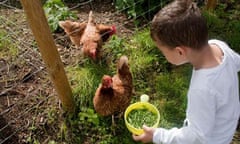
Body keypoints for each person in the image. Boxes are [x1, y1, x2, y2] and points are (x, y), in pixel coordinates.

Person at [132, 0, 240, 143]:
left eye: (163, 51)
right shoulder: (219, 47)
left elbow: (196, 136)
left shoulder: (202, 89)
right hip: (226, 125)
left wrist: (157, 135)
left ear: (180, 52)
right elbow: (237, 61)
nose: (163, 55)